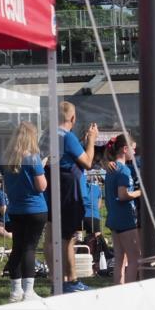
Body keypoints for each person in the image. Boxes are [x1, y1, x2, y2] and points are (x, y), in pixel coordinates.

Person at [44, 101, 98, 293]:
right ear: (73, 118)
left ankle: (55, 280)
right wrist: (91, 140)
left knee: (51, 236)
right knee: (67, 238)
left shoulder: (47, 135)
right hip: (68, 190)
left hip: (52, 187)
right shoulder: (67, 136)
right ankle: (71, 280)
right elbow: (88, 162)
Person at [1, 121, 47, 301]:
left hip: (15, 209)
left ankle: (15, 291)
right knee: (29, 248)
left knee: (17, 248)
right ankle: (29, 291)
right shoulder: (33, 158)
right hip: (35, 209)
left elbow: (7, 185)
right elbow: (41, 186)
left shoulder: (6, 159)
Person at [104, 134, 141, 285]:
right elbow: (123, 195)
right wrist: (140, 192)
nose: (135, 152)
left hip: (114, 218)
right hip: (125, 219)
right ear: (125, 149)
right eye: (133, 149)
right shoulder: (123, 170)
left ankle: (118, 289)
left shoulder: (112, 168)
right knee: (134, 258)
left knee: (120, 258)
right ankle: (130, 291)